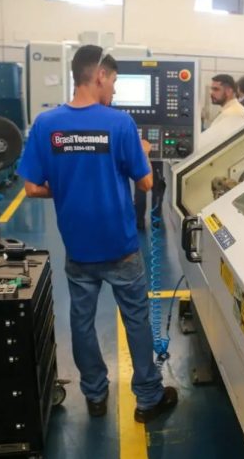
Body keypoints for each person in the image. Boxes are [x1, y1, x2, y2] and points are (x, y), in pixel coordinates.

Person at [17, 45, 177, 423]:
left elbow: (32, 188)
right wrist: (143, 150)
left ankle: (95, 395)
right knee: (136, 319)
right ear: (100, 75)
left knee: (82, 320)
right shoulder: (120, 124)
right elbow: (146, 183)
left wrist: (67, 186)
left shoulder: (46, 124)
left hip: (79, 249)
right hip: (121, 247)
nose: (115, 90)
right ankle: (148, 398)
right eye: (114, 81)